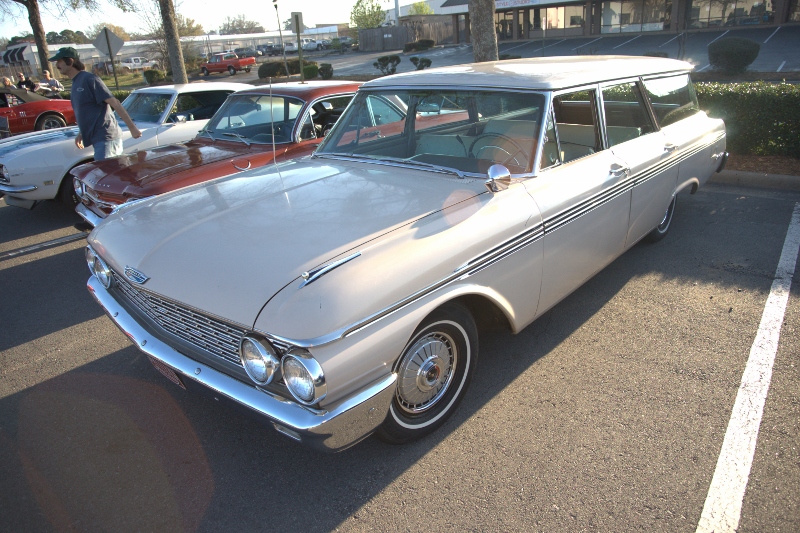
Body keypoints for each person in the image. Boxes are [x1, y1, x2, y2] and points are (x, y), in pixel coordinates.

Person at [49, 46, 141, 161]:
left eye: (59, 61)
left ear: (70, 61)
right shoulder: (76, 82)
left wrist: (132, 128)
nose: (57, 65)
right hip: (98, 140)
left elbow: (114, 102)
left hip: (106, 138)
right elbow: (88, 112)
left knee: (107, 172)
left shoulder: (90, 79)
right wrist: (81, 133)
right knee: (105, 172)